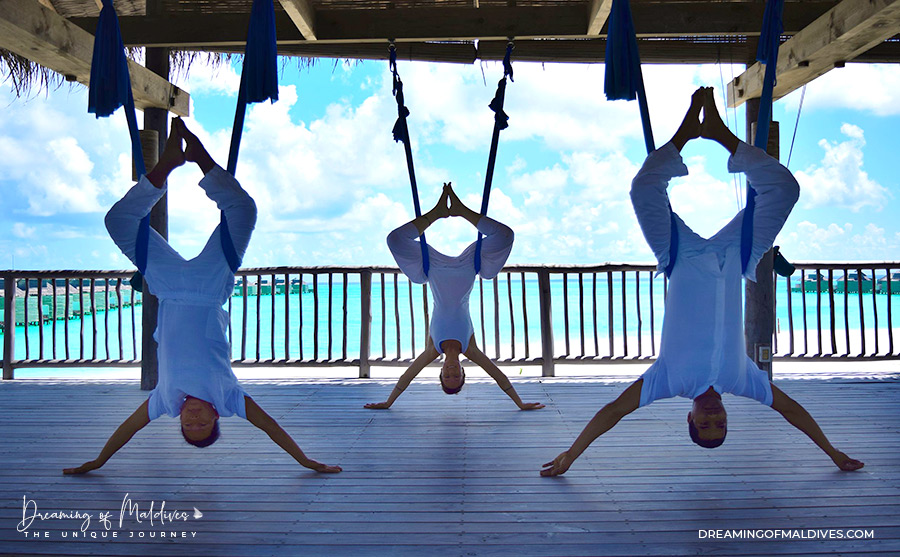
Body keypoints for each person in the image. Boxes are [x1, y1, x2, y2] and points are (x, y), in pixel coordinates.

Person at [541, 87, 863, 476]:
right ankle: (720, 134)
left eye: (705, 423)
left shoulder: (665, 380)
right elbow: (792, 410)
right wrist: (833, 453)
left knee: (644, 189)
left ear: (689, 419)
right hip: (737, 255)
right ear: (728, 416)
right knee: (784, 190)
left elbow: (612, 412)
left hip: (679, 255)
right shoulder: (742, 378)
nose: (713, 416)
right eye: (720, 423)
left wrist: (570, 456)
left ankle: (687, 133)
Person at [63, 118, 340, 475]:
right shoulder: (228, 398)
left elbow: (130, 428)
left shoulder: (165, 400)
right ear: (216, 418)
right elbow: (269, 425)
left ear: (178, 421)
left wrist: (99, 461)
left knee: (118, 221)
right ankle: (199, 157)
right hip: (208, 290)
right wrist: (305, 460)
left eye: (187, 426)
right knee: (243, 210)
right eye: (202, 425)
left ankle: (166, 166)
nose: (193, 419)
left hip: (169, 289)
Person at [365, 184, 544, 411]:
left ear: (440, 372)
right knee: (506, 236)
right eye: (456, 375)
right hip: (469, 266)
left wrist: (387, 403)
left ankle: (436, 214)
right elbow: (498, 375)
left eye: (447, 375)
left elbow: (407, 376)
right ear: (462, 371)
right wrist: (520, 403)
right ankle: (461, 210)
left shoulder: (432, 350)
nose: (451, 371)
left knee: (395, 239)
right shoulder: (470, 348)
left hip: (434, 268)